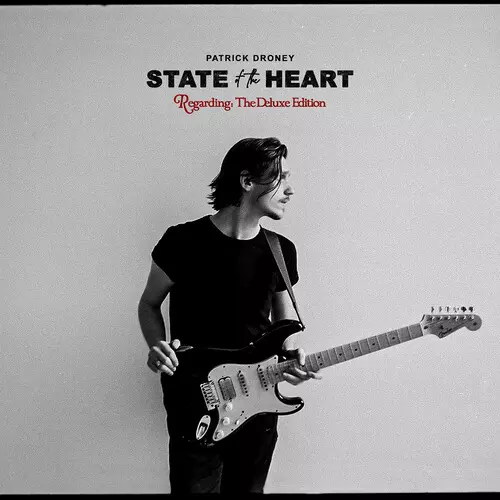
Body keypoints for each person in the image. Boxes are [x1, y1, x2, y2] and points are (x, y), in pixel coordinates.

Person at [137, 137, 321, 494]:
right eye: (281, 178)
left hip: (259, 407)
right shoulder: (182, 241)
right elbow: (149, 304)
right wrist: (158, 346)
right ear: (247, 181)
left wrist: (292, 361)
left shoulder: (281, 251)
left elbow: (285, 331)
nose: (290, 190)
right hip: (195, 401)